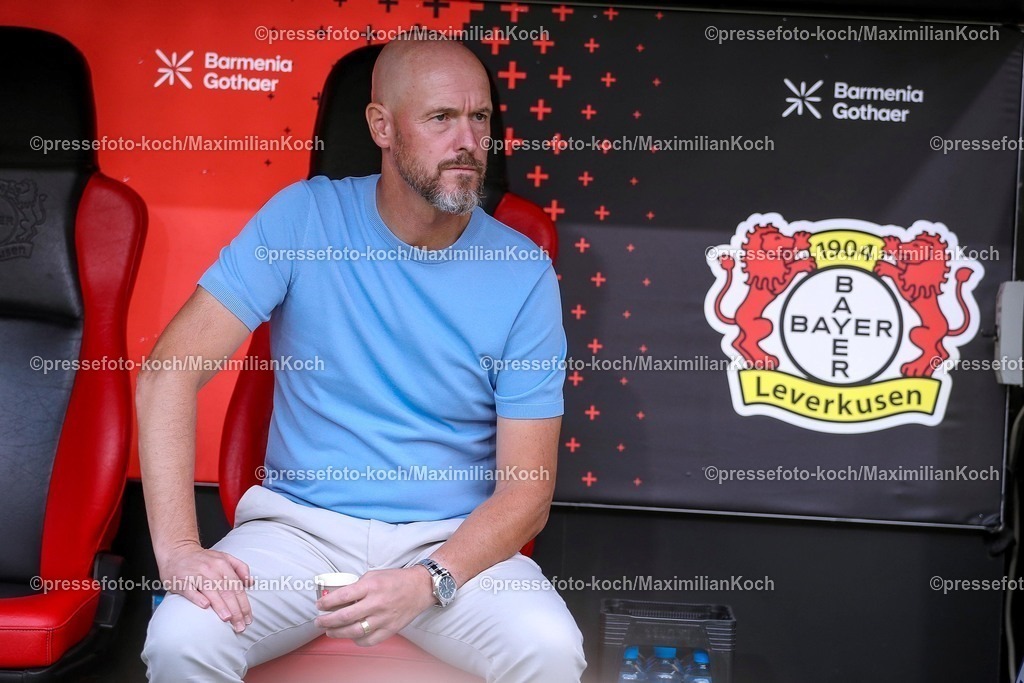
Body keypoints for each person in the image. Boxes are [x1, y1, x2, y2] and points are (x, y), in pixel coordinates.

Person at [138, 37, 586, 682]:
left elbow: (526, 492)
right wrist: (180, 550)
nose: (467, 140)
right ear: (381, 125)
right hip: (298, 536)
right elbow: (168, 371)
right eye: (440, 118)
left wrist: (431, 580)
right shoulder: (303, 218)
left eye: (479, 118)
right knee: (183, 638)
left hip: (448, 542)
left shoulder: (523, 271)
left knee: (549, 649)